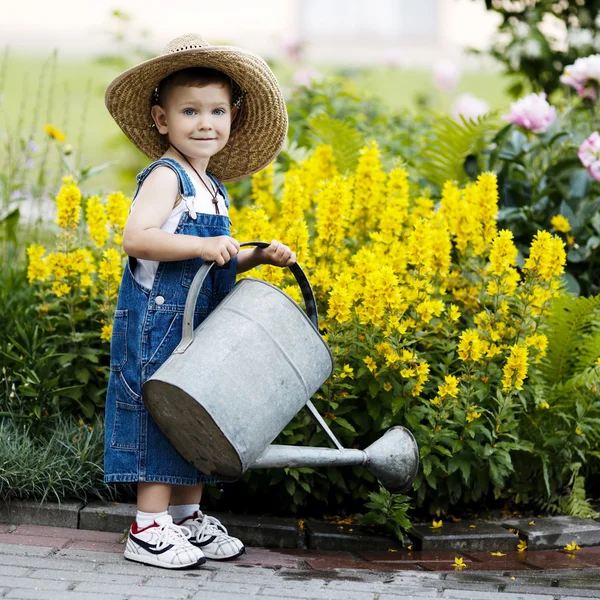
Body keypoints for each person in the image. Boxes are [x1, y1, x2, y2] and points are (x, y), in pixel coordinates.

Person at [103, 33, 294, 570]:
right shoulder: (167, 176)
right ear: (163, 121)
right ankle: (147, 526)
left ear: (232, 118)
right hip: (159, 321)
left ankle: (187, 518)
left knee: (200, 409)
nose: (204, 123)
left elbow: (214, 260)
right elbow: (137, 238)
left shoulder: (212, 186)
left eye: (216, 111)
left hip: (199, 318)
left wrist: (256, 255)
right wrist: (205, 244)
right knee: (162, 411)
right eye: (189, 111)